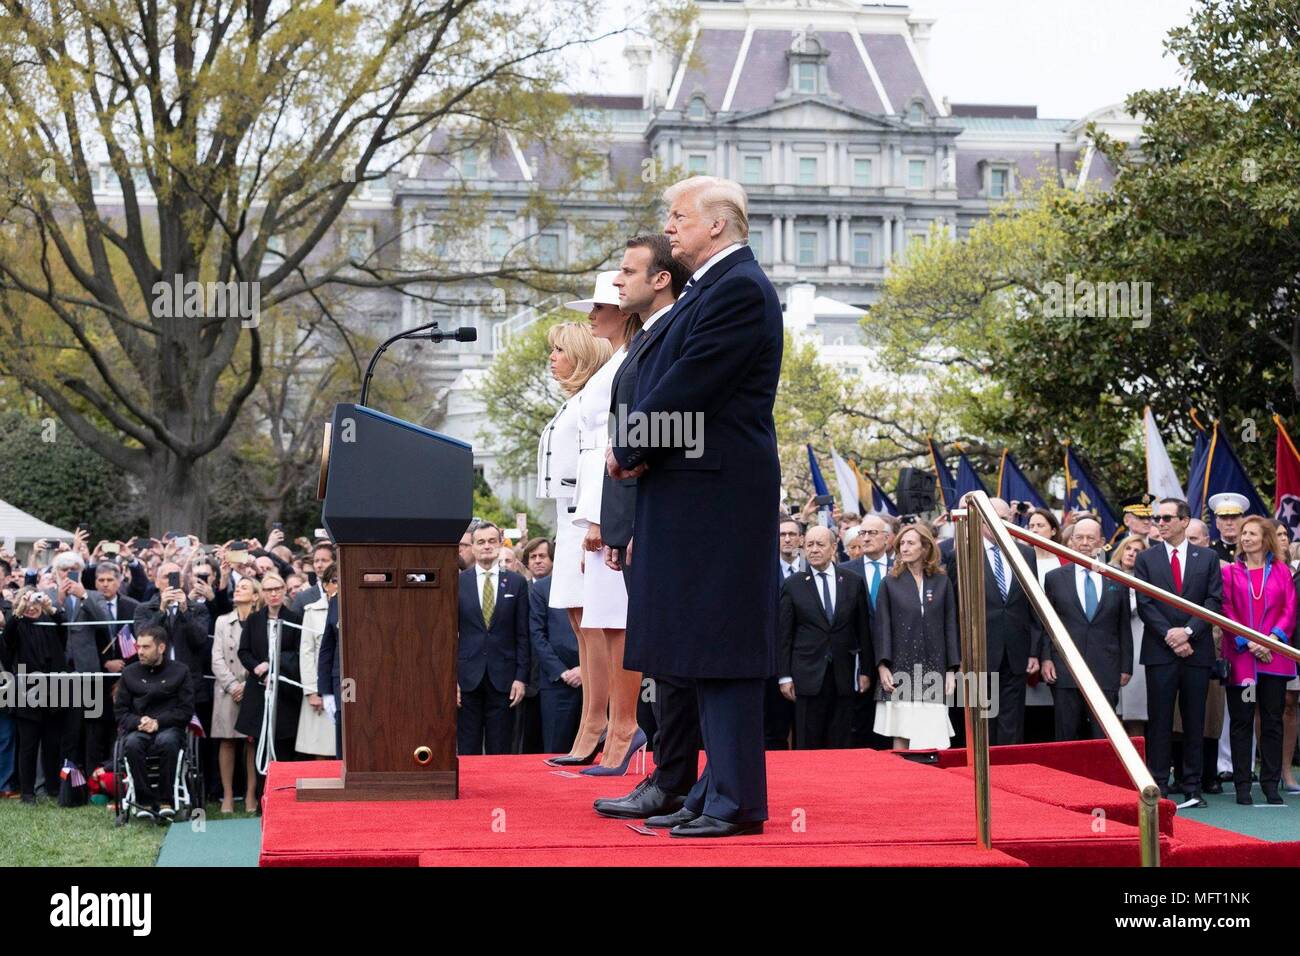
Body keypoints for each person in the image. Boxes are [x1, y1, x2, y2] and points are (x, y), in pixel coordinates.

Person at [608, 175, 782, 837]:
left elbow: (691, 383)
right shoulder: (714, 287)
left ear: (717, 223)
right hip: (696, 492)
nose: (669, 228)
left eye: (678, 217)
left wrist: (631, 443)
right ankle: (715, 791)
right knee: (702, 647)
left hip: (721, 496)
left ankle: (735, 800)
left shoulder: (737, 288)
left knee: (725, 646)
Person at [569, 261, 646, 775]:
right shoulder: (616, 360)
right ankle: (610, 727)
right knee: (601, 621)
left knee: (616, 622)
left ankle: (624, 727)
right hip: (597, 502)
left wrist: (602, 518)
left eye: (599, 305)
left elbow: (614, 444)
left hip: (612, 502)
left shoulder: (626, 361)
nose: (593, 314)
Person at [536, 320, 612, 764]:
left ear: (581, 355)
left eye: (560, 349)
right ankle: (591, 721)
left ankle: (599, 723)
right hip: (567, 520)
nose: (553, 357)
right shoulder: (572, 404)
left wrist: (596, 521)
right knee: (579, 626)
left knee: (595, 627)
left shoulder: (592, 402)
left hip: (585, 521)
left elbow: (600, 464)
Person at [1134, 497, 1222, 809]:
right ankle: (1158, 785)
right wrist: (1171, 636)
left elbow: (1213, 601)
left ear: (1184, 522)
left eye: (1167, 518)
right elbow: (1145, 603)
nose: (1160, 523)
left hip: (1196, 652)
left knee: (1194, 720)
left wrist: (1187, 633)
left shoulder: (1207, 557)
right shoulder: (1146, 559)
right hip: (1160, 651)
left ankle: (1192, 787)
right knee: (1159, 720)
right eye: (1158, 518)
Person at [945, 495, 1042, 745]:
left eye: (1004, 519)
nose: (999, 524)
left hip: (1017, 651)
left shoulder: (1026, 554)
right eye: (992, 519)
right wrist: (959, 656)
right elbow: (955, 609)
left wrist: (1033, 650)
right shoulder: (961, 555)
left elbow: (1033, 605)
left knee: (1012, 721)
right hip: (977, 652)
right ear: (980, 522)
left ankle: (1010, 773)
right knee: (981, 720)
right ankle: (983, 775)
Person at [1220, 516, 1297, 804]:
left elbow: (1290, 608)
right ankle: (1242, 785)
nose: (1245, 538)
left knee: (1273, 720)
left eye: (1251, 533)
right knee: (1241, 720)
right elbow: (1225, 610)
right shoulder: (1230, 573)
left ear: (1266, 539)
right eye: (1243, 534)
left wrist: (1272, 640)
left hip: (1274, 660)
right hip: (1244, 662)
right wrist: (1249, 642)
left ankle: (1270, 784)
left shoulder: (1280, 571)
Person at [777, 526, 871, 749]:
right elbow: (784, 635)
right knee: (808, 743)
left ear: (833, 547)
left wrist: (866, 670)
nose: (814, 550)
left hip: (843, 674)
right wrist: (784, 676)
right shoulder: (793, 585)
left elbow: (863, 630)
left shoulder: (852, 581)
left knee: (841, 742)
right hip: (806, 676)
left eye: (820, 544)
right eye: (809, 545)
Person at [1040, 517, 1132, 741]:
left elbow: (1123, 626)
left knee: (1103, 737)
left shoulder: (1117, 578)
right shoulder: (1054, 578)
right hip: (1065, 668)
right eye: (1079, 537)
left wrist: (1125, 666)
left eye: (1091, 538)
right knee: (1067, 736)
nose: (1084, 543)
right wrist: (1046, 658)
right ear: (1070, 541)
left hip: (1106, 669)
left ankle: (1101, 777)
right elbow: (1046, 624)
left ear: (1101, 542)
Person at [873, 524, 960, 750]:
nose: (904, 547)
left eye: (910, 543)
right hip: (900, 667)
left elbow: (950, 625)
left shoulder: (942, 582)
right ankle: (901, 781)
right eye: (901, 543)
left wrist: (951, 669)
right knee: (901, 731)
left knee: (933, 732)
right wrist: (883, 666)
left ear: (925, 548)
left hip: (934, 667)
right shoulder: (889, 583)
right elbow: (882, 627)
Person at [456, 523, 529, 755]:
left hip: (504, 678)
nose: (486, 546)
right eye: (481, 542)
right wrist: (451, 680)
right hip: (467, 678)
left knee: (501, 749)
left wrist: (521, 678)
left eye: (491, 541)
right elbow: (448, 635)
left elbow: (523, 634)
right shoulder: (457, 582)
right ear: (473, 548)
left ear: (499, 545)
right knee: (468, 749)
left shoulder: (516, 583)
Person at [114, 624, 195, 820]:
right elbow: (121, 712)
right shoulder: (129, 673)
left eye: (146, 647)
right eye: (138, 647)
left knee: (167, 742)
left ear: (161, 648)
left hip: (169, 727)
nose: (140, 651)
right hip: (138, 727)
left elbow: (186, 710)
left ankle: (167, 799)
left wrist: (158, 722)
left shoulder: (180, 671)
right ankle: (144, 801)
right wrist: (139, 721)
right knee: (132, 744)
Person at [0, 588, 68, 802]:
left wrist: (51, 608)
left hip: (53, 691)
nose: (32, 607)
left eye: (35, 603)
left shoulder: (49, 623)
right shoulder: (17, 626)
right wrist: (18, 611)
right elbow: (7, 640)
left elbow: (63, 627)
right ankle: (27, 792)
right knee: (28, 746)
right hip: (25, 692)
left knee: (52, 744)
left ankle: (53, 788)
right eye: (26, 603)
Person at [234, 572, 304, 771]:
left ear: (284, 591)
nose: (273, 594)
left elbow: (298, 654)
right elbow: (244, 651)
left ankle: (283, 798)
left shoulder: (295, 619)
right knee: (260, 749)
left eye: (277, 589)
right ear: (262, 593)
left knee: (284, 750)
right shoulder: (254, 620)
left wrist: (272, 664)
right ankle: (261, 800)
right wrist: (260, 670)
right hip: (259, 690)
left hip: (284, 693)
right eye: (268, 590)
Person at [525, 539, 583, 756]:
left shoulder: (594, 585)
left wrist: (585, 670)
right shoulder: (542, 589)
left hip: (593, 680)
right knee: (555, 749)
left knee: (596, 751)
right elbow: (537, 635)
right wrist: (563, 672)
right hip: (556, 683)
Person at [840, 514, 892, 748]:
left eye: (873, 533)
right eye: (863, 533)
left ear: (887, 538)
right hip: (859, 657)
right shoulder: (845, 571)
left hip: (895, 654)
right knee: (859, 721)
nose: (867, 538)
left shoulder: (901, 568)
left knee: (892, 720)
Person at [211, 577, 259, 814]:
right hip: (227, 690)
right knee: (227, 740)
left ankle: (251, 794)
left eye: (244, 587)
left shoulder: (261, 621)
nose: (238, 589)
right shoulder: (222, 621)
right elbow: (216, 658)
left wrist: (248, 686)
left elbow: (263, 656)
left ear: (255, 596)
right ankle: (228, 795)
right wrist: (232, 685)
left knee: (251, 741)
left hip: (254, 687)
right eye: (237, 586)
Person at [296, 564, 338, 759]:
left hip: (346, 685)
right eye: (334, 581)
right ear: (325, 585)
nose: (338, 585)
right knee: (320, 747)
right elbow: (307, 652)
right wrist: (313, 690)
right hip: (322, 686)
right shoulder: (312, 611)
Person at [1113, 535, 1150, 735]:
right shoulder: (1106, 572)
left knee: (1136, 711)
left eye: (1137, 551)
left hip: (1138, 644)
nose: (1131, 553)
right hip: (1111, 645)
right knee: (1112, 712)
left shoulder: (1147, 578)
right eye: (1128, 548)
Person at [290, 541, 336, 613]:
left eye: (324, 560)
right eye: (316, 561)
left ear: (335, 562)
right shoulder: (302, 597)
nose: (319, 565)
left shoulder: (347, 592)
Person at [1026, 507, 1067, 585]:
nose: (1034, 530)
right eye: (1031, 526)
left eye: (1040, 525)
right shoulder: (1021, 558)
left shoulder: (1066, 560)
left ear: (1053, 531)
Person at [1208, 492, 1248, 564]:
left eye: (1234, 517)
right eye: (1223, 518)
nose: (1229, 523)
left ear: (1243, 521)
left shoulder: (1252, 550)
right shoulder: (1209, 552)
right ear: (1217, 523)